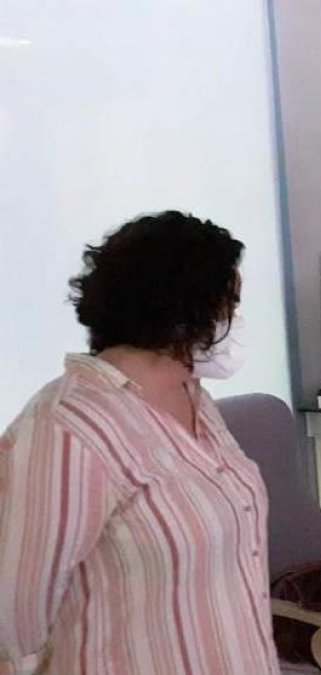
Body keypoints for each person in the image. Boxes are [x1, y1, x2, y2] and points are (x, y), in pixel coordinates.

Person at [0, 211, 276, 674]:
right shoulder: (68, 429)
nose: (234, 321)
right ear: (185, 310)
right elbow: (15, 616)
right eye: (230, 303)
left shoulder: (193, 398)